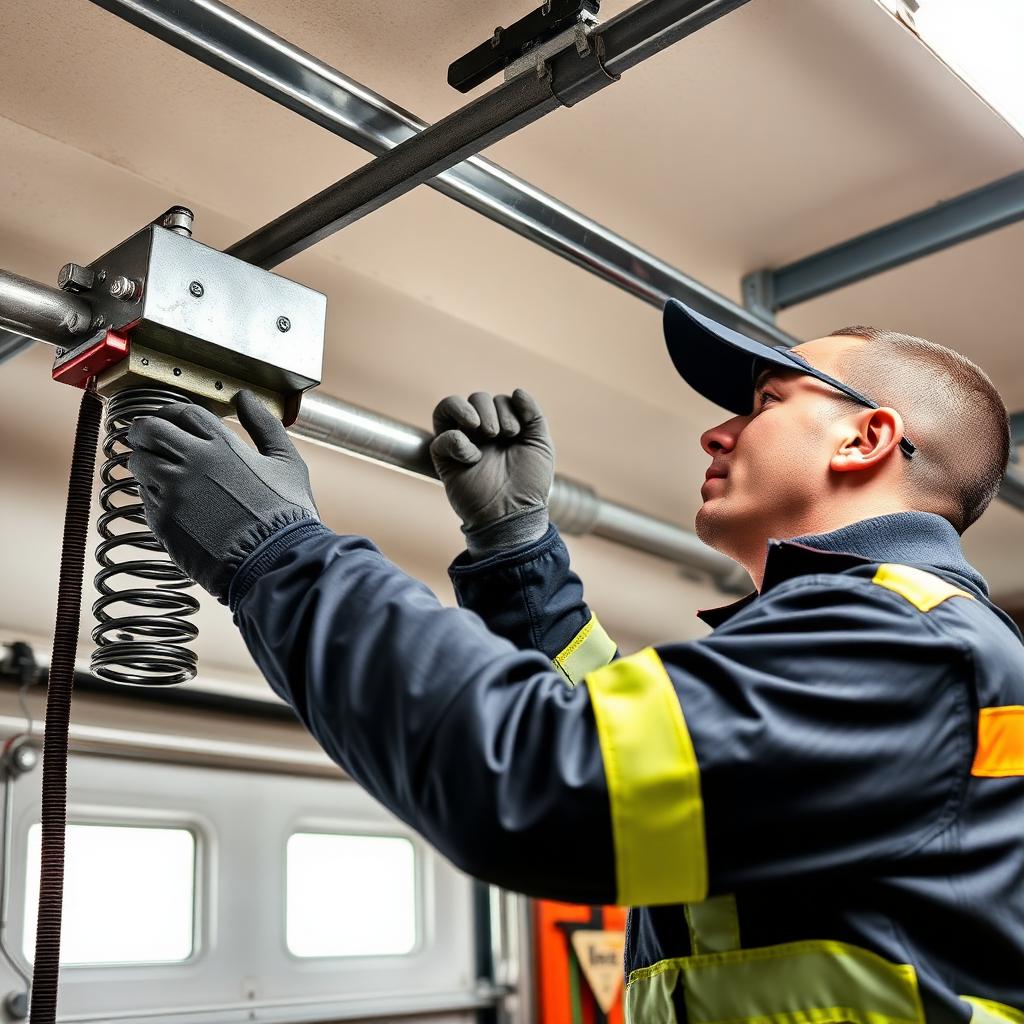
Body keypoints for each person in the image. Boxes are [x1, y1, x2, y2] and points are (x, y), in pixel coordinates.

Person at [127, 299, 1024, 1023]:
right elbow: (628, 754)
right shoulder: (885, 638)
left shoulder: (908, 642)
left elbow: (547, 778)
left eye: (763, 404)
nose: (717, 434)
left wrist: (278, 555)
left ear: (864, 439)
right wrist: (517, 553)